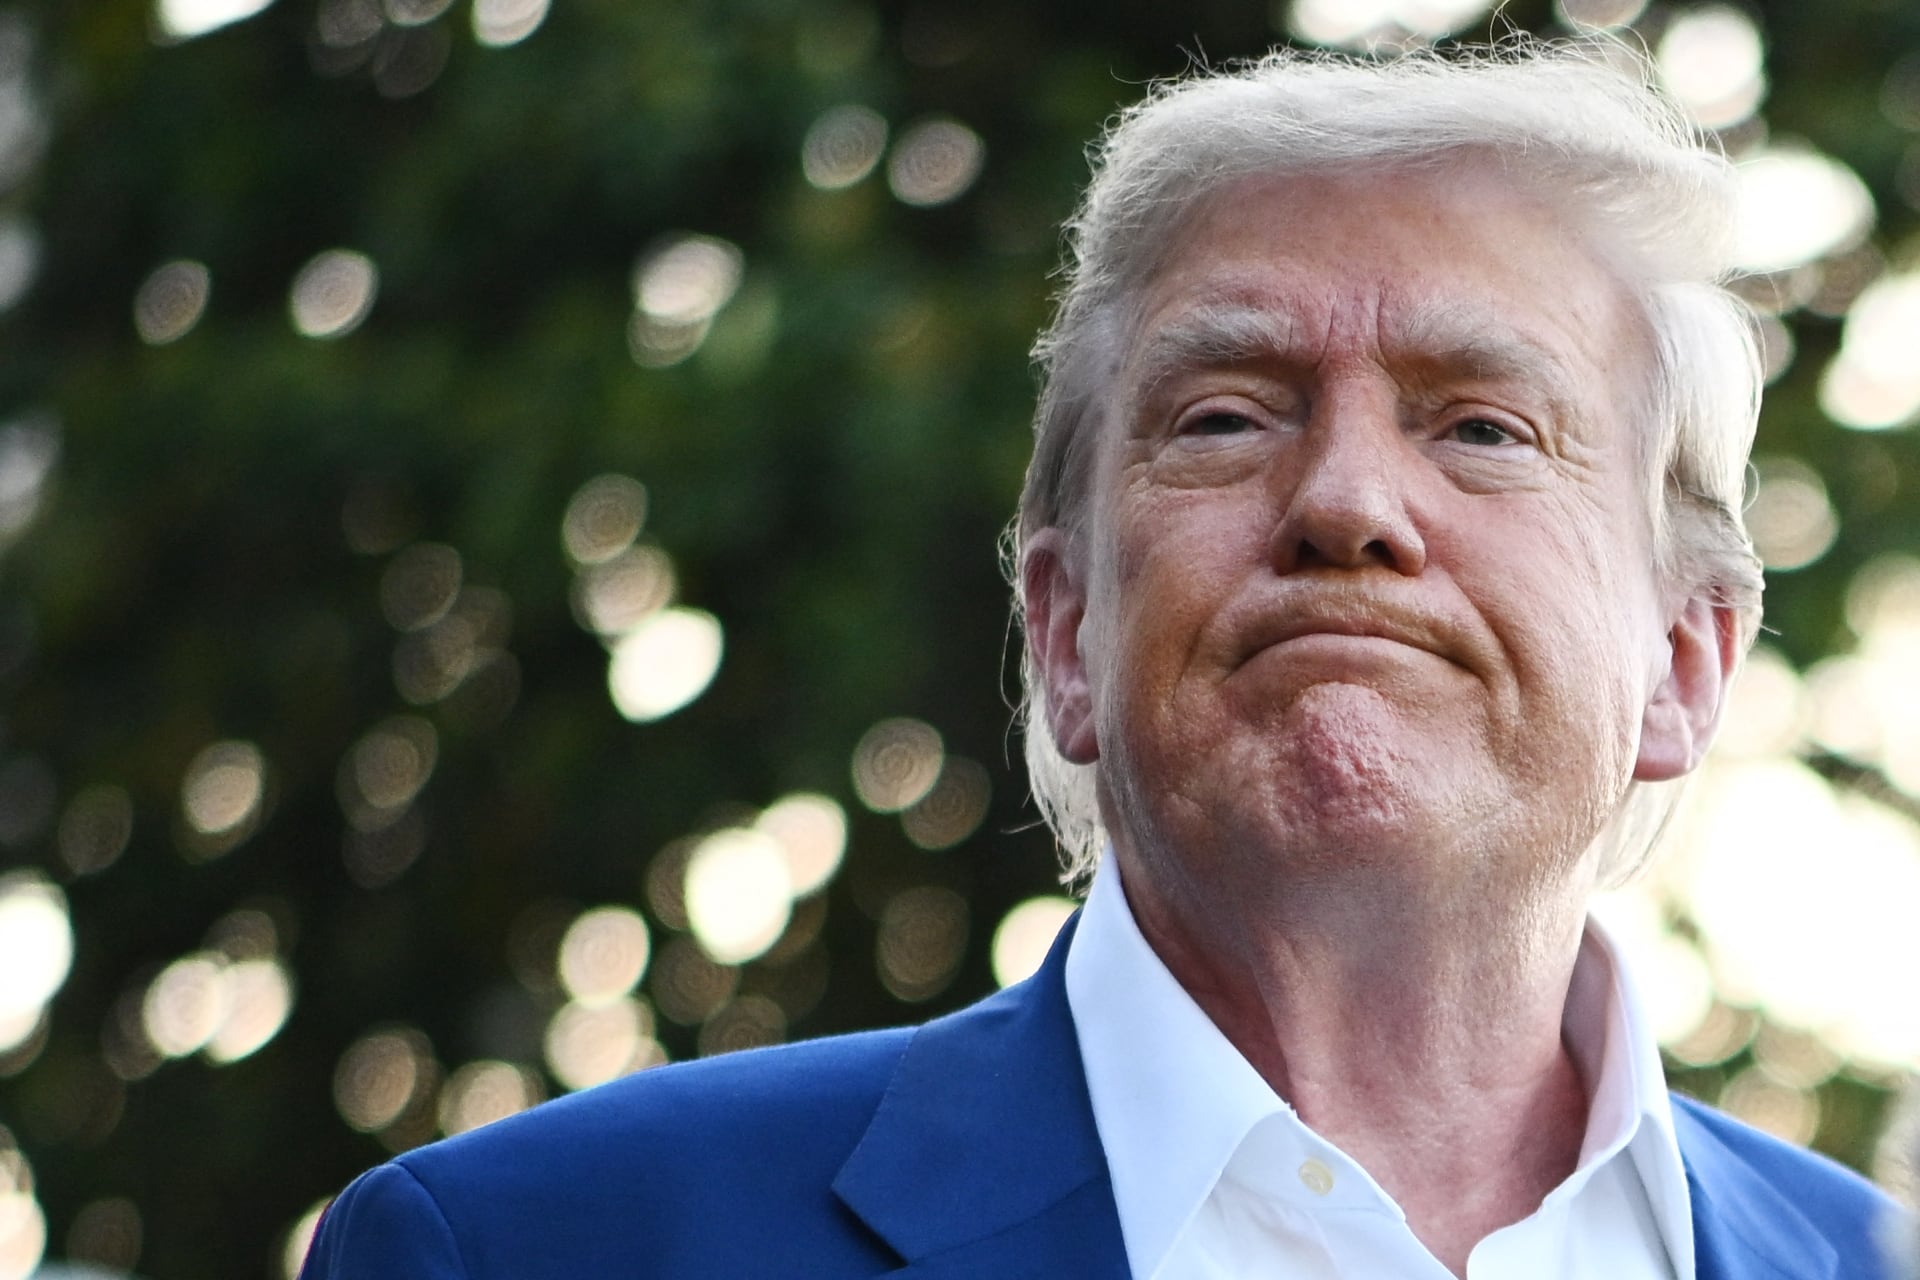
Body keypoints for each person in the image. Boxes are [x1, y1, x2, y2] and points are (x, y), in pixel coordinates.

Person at [300, 41, 1910, 1280]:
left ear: (1689, 663)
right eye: (1225, 416)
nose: (1347, 503)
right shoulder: (539, 1250)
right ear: (1064, 633)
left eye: (1483, 428)